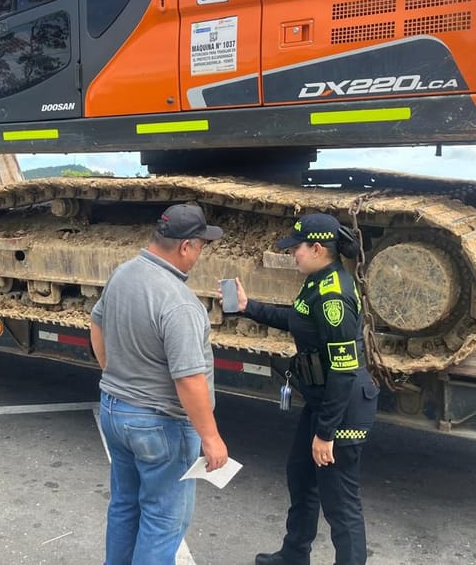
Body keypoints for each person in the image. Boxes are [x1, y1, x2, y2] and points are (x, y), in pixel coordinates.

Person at [233, 213, 378, 565]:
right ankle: (295, 554)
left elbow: (344, 372)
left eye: (296, 248)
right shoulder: (317, 281)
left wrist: (326, 433)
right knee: (301, 476)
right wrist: (247, 307)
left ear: (317, 248)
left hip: (342, 409)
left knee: (340, 503)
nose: (292, 254)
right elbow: (296, 319)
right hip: (321, 400)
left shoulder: (334, 298)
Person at [90, 203, 230, 565]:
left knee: (125, 505)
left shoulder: (123, 274)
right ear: (186, 246)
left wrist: (115, 371)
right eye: (200, 246)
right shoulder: (180, 303)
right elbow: (188, 378)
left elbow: (96, 324)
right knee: (164, 518)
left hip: (114, 410)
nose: (200, 255)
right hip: (159, 425)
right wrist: (212, 438)